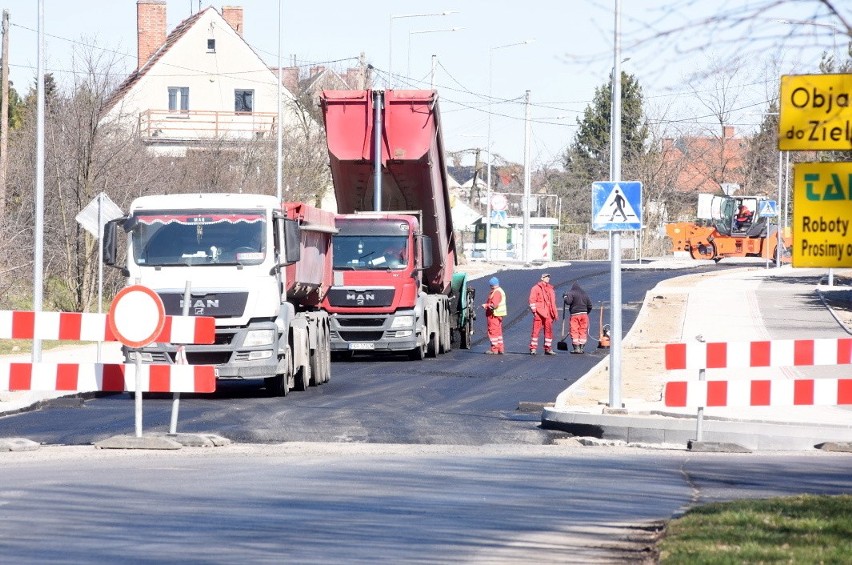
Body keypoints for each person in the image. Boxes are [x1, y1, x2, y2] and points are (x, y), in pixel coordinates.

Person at [528, 273, 558, 355]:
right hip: (539, 313)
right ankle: (533, 348)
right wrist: (534, 311)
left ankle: (548, 348)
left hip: (548, 314)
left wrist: (554, 313)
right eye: (546, 277)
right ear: (542, 278)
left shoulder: (550, 289)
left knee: (549, 331)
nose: (548, 278)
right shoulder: (535, 288)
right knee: (536, 331)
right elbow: (532, 300)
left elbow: (553, 302)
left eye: (548, 277)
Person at [563, 282, 593, 354]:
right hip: (584, 314)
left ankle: (576, 348)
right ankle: (581, 348)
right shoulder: (584, 294)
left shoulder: (571, 293)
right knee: (583, 330)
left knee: (574, 330)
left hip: (575, 314)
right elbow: (590, 305)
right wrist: (586, 313)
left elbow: (568, 302)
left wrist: (565, 297)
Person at [482, 276, 507, 355]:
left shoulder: (496, 292)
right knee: (498, 333)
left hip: (494, 315)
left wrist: (486, 305)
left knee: (493, 332)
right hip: (498, 315)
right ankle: (500, 348)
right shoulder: (499, 291)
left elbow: (494, 305)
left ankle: (494, 349)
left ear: (492, 285)